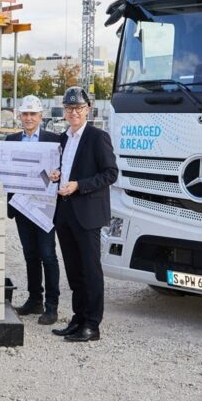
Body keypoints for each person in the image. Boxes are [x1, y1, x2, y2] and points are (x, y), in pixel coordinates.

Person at [48, 87, 118, 343]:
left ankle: (92, 324)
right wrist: (56, 175)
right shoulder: (63, 139)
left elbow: (110, 173)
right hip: (65, 211)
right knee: (74, 270)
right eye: (69, 108)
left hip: (87, 212)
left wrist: (79, 185)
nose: (73, 112)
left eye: (78, 108)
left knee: (90, 270)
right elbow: (63, 168)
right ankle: (78, 318)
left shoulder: (97, 137)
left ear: (88, 109)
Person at [0, 95, 61, 325]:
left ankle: (52, 306)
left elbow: (62, 168)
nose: (29, 118)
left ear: (40, 116)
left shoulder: (55, 140)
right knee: (30, 255)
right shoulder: (11, 139)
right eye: (25, 114)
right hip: (21, 206)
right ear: (19, 115)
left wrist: (57, 175)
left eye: (33, 114)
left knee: (47, 255)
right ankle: (35, 299)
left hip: (44, 207)